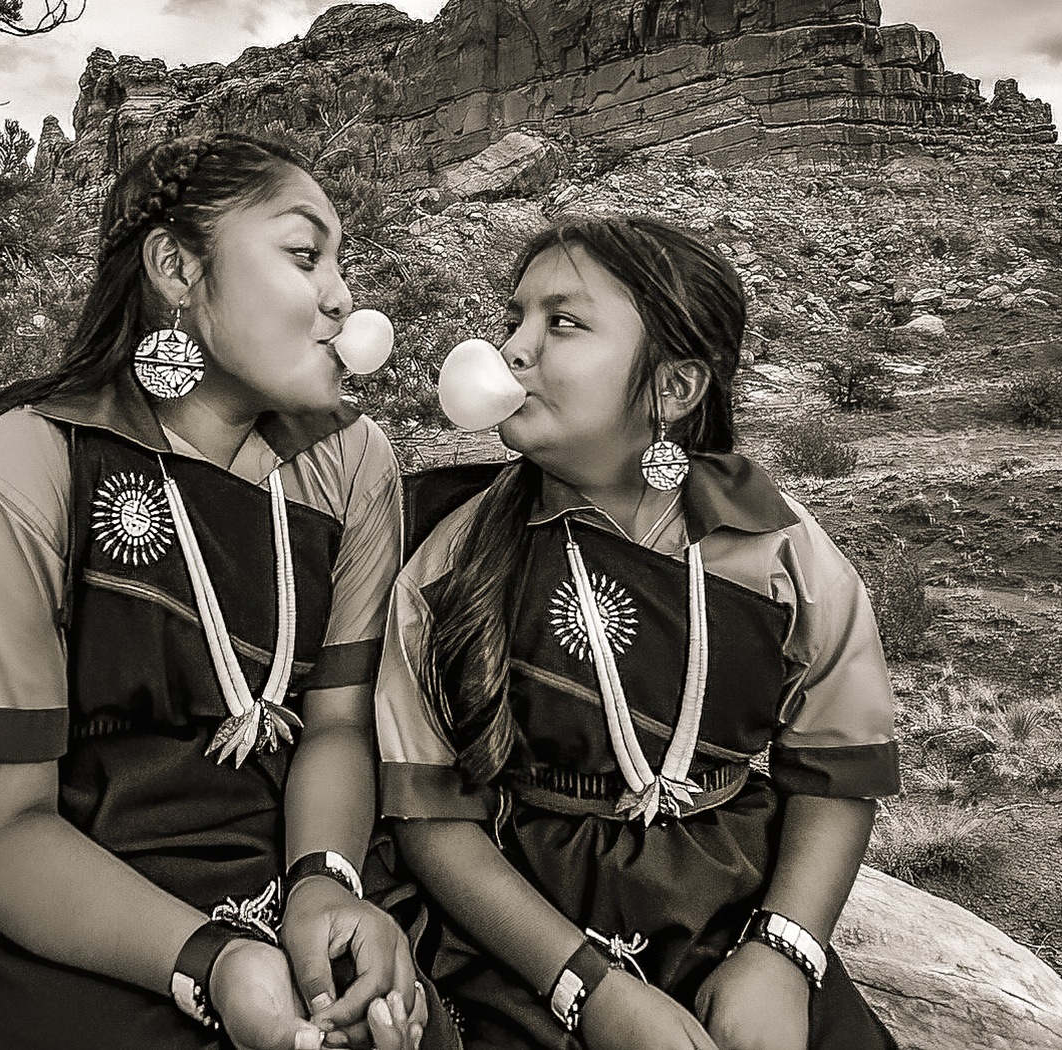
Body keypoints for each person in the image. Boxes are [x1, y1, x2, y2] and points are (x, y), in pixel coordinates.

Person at [0, 131, 439, 1050]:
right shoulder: (15, 472)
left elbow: (332, 725)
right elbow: (1, 832)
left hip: (282, 852)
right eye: (303, 254)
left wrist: (326, 885)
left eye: (342, 263)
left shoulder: (353, 461)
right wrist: (215, 963)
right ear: (175, 265)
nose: (341, 298)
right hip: (55, 883)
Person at [374, 216, 901, 1050]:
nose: (510, 347)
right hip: (521, 933)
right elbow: (433, 817)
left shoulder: (780, 548)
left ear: (675, 388)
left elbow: (838, 773)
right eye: (514, 318)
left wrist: (784, 953)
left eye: (563, 322)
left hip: (734, 910)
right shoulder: (448, 561)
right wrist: (592, 993)